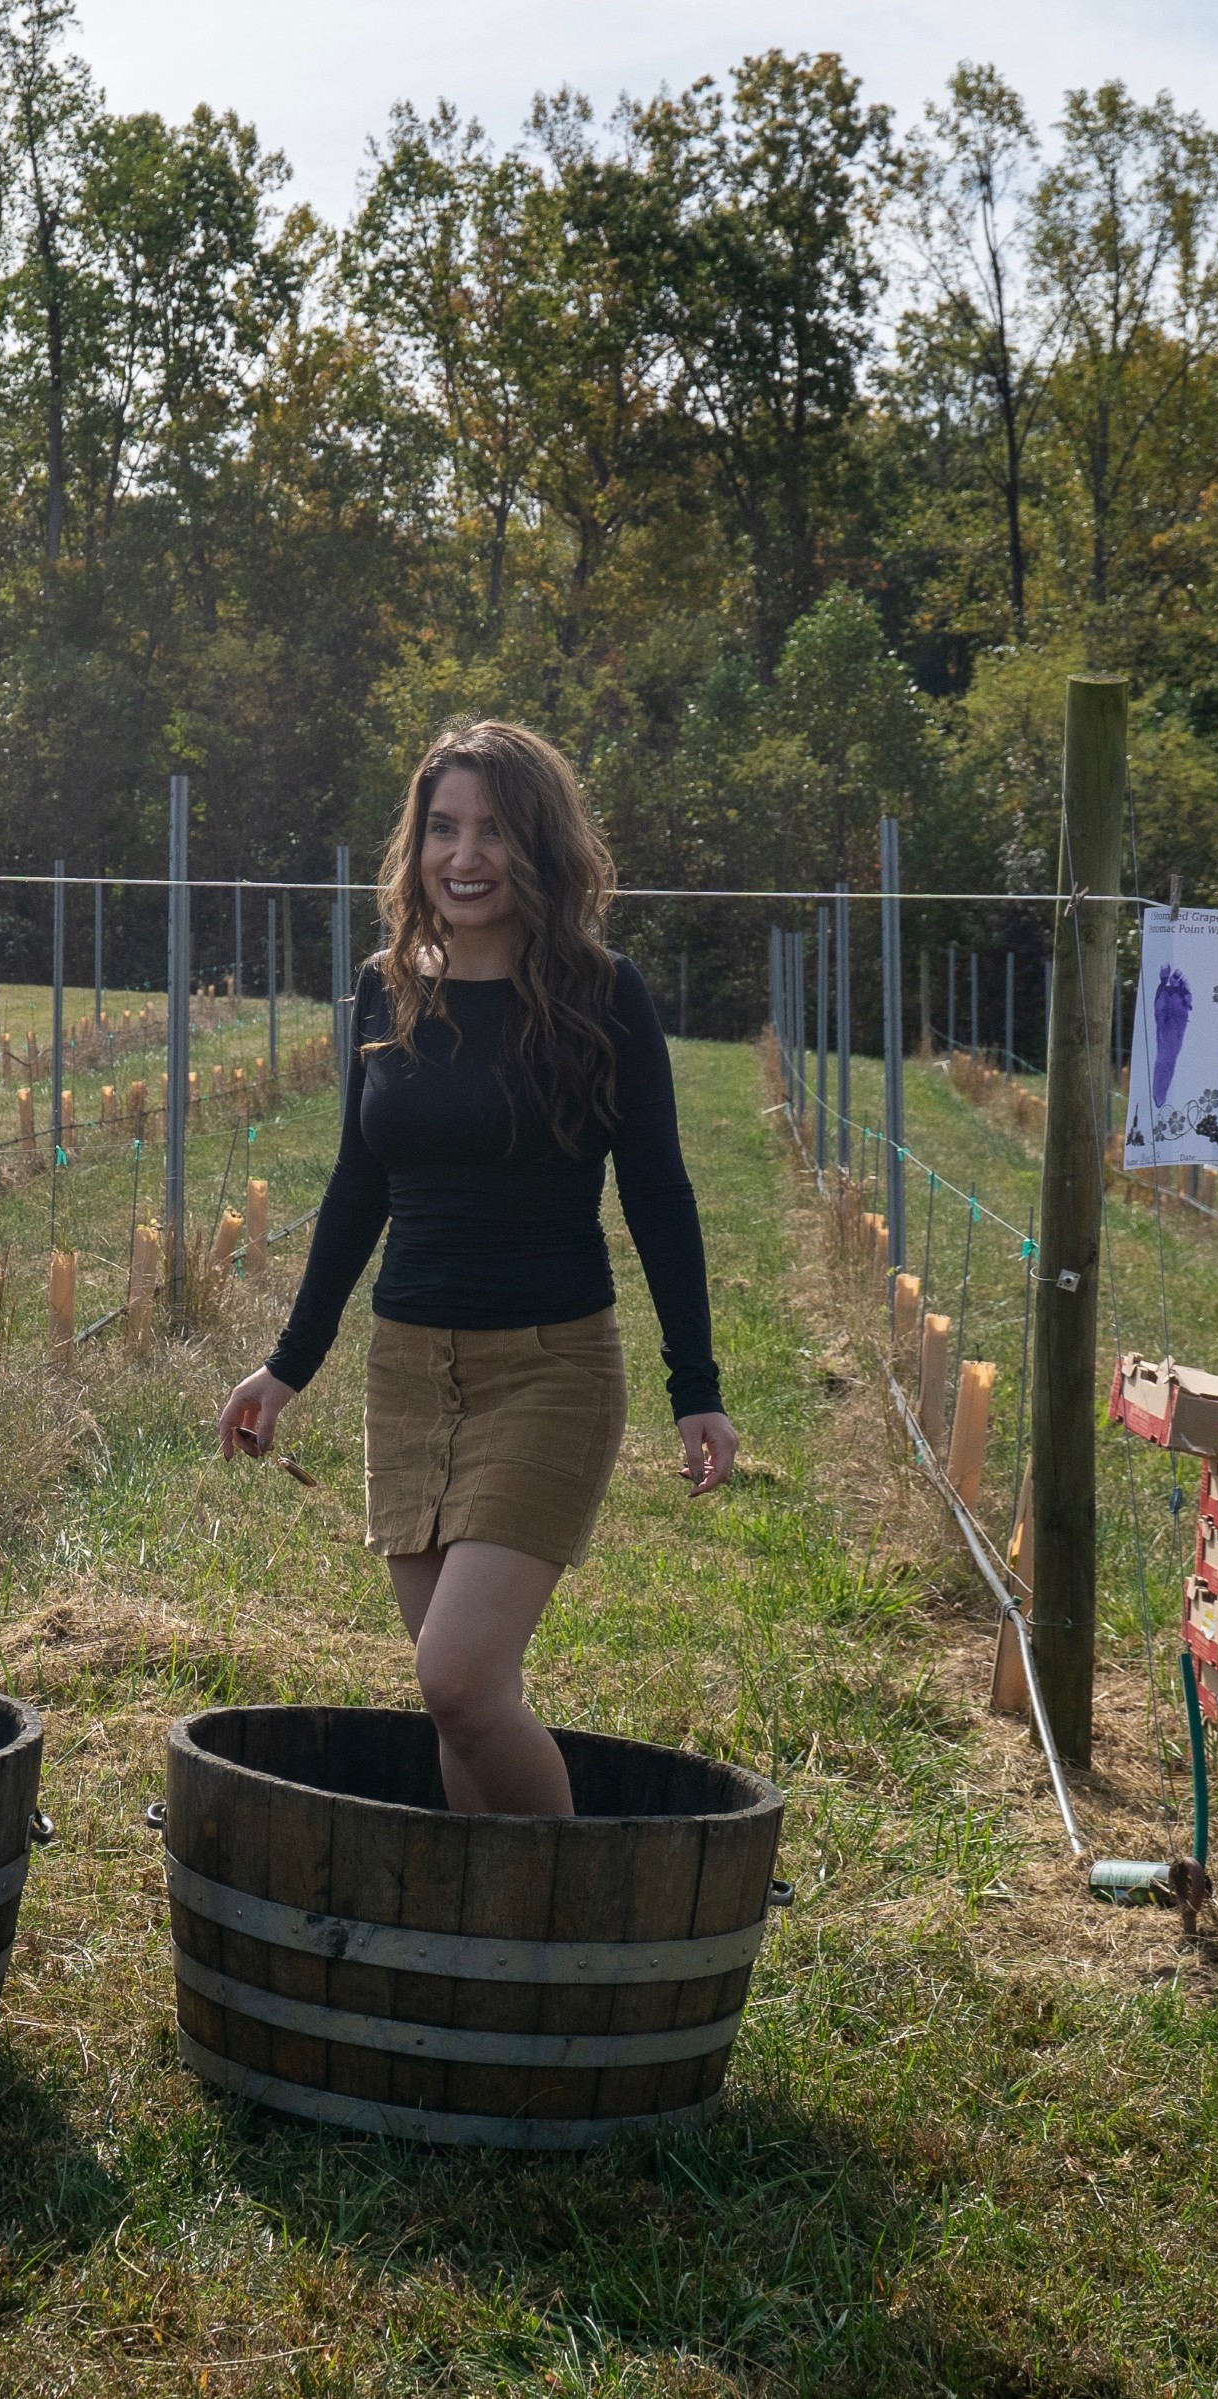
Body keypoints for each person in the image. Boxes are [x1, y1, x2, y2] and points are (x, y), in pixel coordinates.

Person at [217, 719, 736, 1816]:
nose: (464, 856)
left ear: (539, 845)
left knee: (456, 1677)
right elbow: (358, 1187)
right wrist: (287, 1365)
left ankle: (573, 1909)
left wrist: (697, 1385)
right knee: (462, 1700)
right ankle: (490, 1919)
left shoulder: (604, 995)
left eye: (493, 830)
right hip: (408, 1372)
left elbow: (659, 1194)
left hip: (550, 1367)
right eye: (443, 828)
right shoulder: (387, 989)